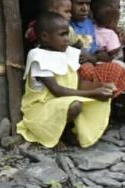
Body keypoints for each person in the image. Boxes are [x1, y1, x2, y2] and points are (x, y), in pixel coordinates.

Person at [17, 12, 113, 148]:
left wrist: (101, 86)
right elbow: (57, 90)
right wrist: (93, 92)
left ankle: (68, 130)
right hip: (42, 109)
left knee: (97, 99)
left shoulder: (69, 53)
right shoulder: (37, 57)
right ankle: (57, 134)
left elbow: (79, 84)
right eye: (62, 34)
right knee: (75, 105)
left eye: (67, 34)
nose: (67, 39)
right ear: (45, 37)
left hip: (62, 101)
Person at [65, 0, 125, 95]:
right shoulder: (71, 27)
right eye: (80, 3)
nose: (84, 8)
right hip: (80, 67)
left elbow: (108, 56)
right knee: (115, 69)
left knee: (117, 68)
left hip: (94, 63)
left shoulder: (91, 26)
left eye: (87, 4)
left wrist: (94, 57)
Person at [92, 0, 125, 65]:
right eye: (116, 8)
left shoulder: (119, 31)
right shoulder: (93, 32)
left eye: (119, 8)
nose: (118, 12)